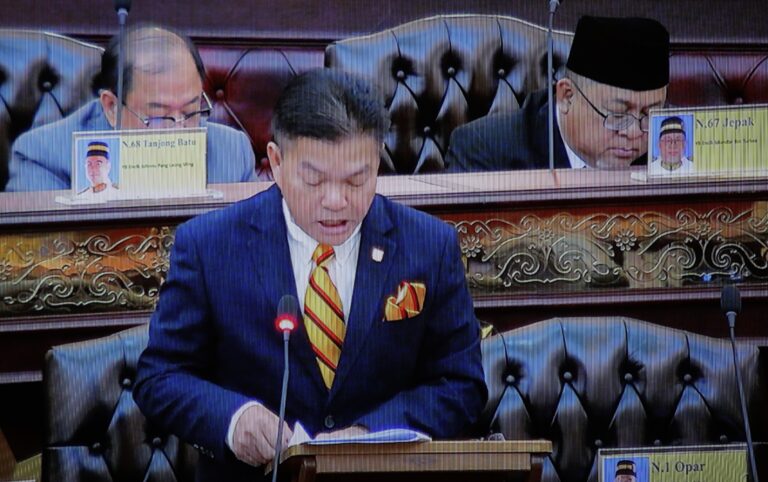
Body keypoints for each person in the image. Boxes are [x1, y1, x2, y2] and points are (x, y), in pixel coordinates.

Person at [133, 68, 487, 481]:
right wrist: (233, 419)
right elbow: (160, 377)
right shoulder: (210, 246)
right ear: (277, 162)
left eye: (357, 180)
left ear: (377, 162)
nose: (336, 201)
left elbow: (461, 383)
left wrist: (372, 435)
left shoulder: (428, 246)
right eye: (314, 180)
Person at [6, 25, 259, 192]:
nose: (178, 131)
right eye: (159, 116)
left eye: (190, 111)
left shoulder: (232, 152)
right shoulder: (44, 156)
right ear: (111, 107)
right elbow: (41, 251)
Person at [445, 16, 670, 172]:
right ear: (567, 97)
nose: (634, 133)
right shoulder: (484, 149)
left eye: (648, 114)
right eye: (618, 114)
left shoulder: (670, 137)